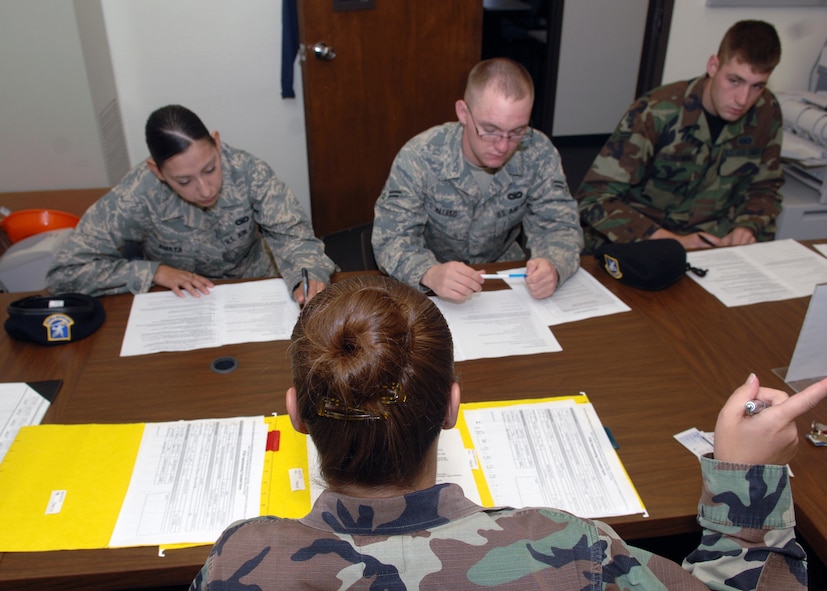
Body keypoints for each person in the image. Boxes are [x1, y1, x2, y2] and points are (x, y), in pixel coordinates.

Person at [191, 274, 823, 590]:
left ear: (296, 412)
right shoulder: (564, 549)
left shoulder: (242, 559)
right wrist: (747, 478)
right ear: (451, 407)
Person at [46, 104, 335, 305]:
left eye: (210, 169)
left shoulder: (249, 171)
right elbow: (66, 273)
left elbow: (295, 238)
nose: (205, 189)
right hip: (179, 302)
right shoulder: (137, 195)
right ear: (156, 171)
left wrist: (308, 280)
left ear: (217, 144)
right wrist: (154, 272)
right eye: (184, 181)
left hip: (255, 288)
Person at [371, 58, 583, 302]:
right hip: (433, 279)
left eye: (517, 132)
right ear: (463, 112)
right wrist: (428, 272)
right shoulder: (420, 156)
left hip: (505, 273)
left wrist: (554, 265)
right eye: (490, 130)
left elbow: (560, 226)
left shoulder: (538, 152)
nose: (503, 146)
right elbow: (390, 238)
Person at [577, 20, 784, 253]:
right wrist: (669, 240)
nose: (742, 99)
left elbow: (765, 187)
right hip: (647, 236)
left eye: (757, 87)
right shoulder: (657, 111)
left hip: (717, 243)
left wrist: (748, 227)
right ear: (713, 66)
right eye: (734, 81)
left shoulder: (766, 111)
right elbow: (595, 197)